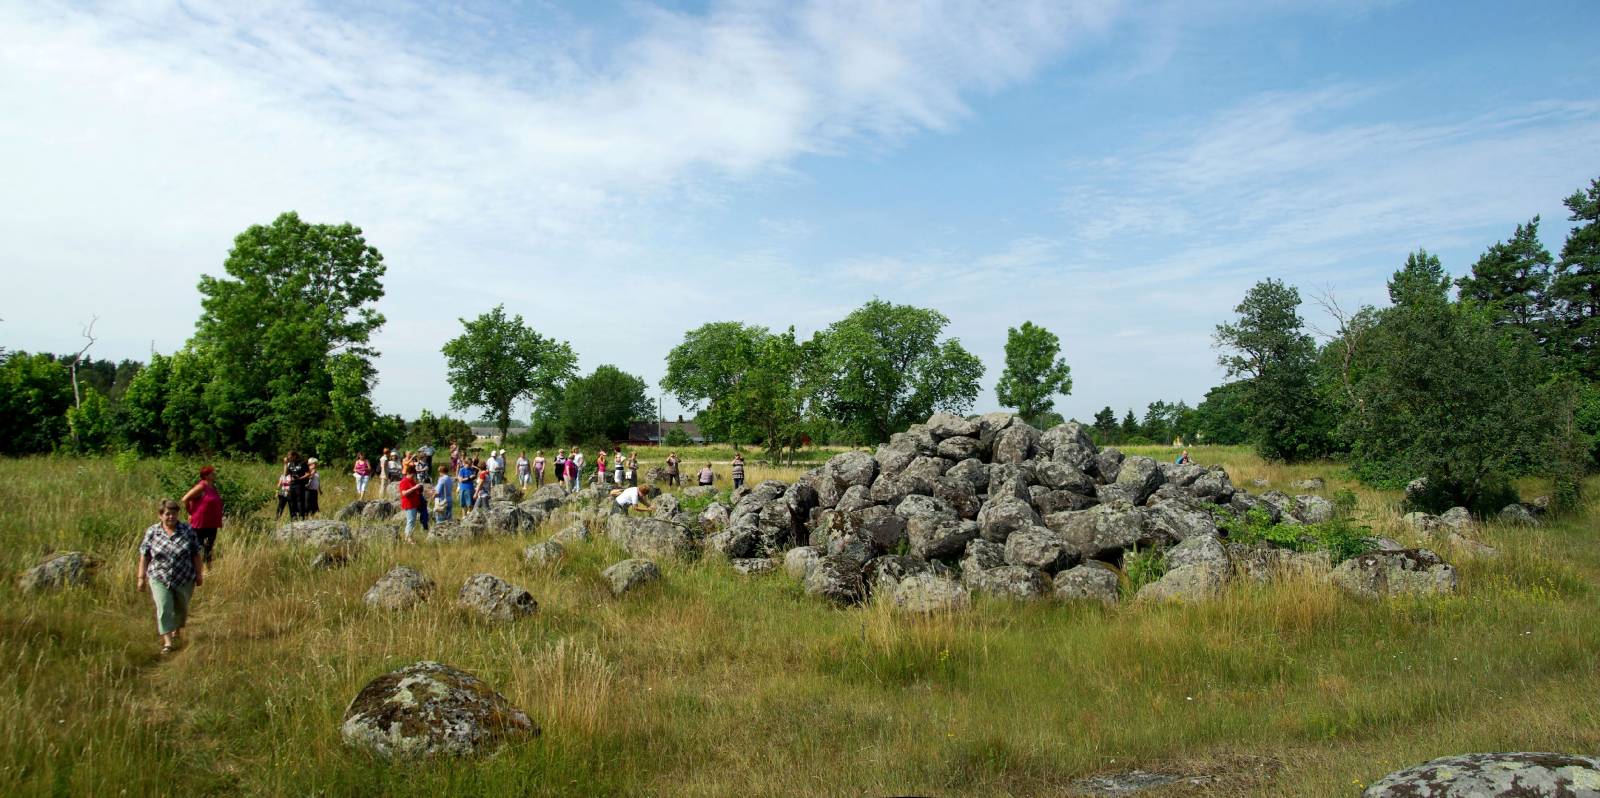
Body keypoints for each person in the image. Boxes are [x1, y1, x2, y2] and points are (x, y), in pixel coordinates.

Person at [137, 499, 204, 654]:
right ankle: (167, 642)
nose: (171, 517)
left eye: (174, 514)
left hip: (184, 577)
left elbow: (196, 554)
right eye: (167, 514)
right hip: (159, 576)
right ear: (160, 516)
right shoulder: (152, 532)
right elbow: (145, 555)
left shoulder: (187, 530)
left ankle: (177, 631)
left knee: (181, 608)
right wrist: (141, 578)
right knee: (164, 606)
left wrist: (199, 574)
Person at [180, 466, 224, 564]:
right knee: (198, 547)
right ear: (206, 476)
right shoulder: (202, 486)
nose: (215, 474)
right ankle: (196, 569)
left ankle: (208, 569)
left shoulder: (213, 487)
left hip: (212, 523)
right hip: (200, 523)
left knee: (209, 547)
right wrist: (190, 512)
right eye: (212, 473)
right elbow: (185, 499)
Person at [397, 466, 424, 543]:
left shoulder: (412, 481)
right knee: (410, 521)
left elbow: (415, 490)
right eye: (414, 474)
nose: (414, 476)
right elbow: (404, 493)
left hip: (414, 504)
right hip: (409, 504)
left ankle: (409, 537)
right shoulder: (404, 481)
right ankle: (408, 538)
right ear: (411, 473)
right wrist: (414, 488)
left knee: (412, 521)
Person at [284, 451, 310, 520]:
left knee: (300, 501)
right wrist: (286, 464)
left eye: (291, 457)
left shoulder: (302, 463)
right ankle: (293, 517)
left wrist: (299, 478)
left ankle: (301, 517)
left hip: (300, 484)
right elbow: (285, 474)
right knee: (291, 501)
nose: (290, 459)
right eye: (289, 458)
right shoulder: (290, 464)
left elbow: (308, 474)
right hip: (292, 484)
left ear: (295, 456)